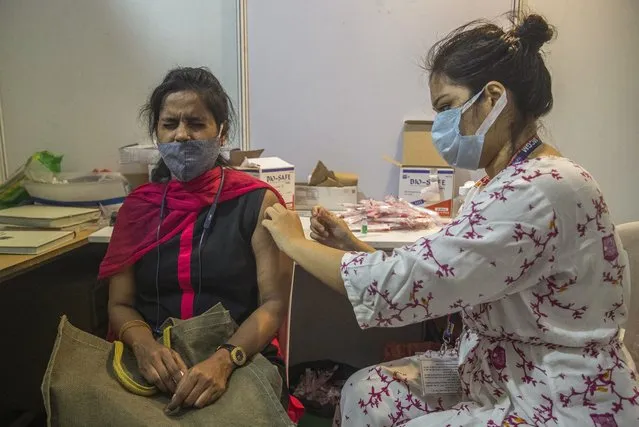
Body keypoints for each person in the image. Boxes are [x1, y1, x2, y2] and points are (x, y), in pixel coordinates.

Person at [261, 14, 639, 426]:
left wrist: (294, 242)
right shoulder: (504, 183)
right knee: (366, 394)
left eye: (445, 108)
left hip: (553, 391)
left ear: (493, 98)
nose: (439, 126)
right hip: (496, 371)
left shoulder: (538, 189)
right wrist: (354, 248)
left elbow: (403, 285)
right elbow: (449, 277)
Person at [99, 67, 298, 418]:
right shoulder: (138, 208)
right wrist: (146, 348)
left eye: (195, 123)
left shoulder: (255, 202)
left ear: (221, 133)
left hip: (238, 355)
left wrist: (224, 361)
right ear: (156, 134)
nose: (181, 136)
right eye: (169, 124)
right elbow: (120, 304)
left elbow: (272, 305)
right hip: (156, 357)